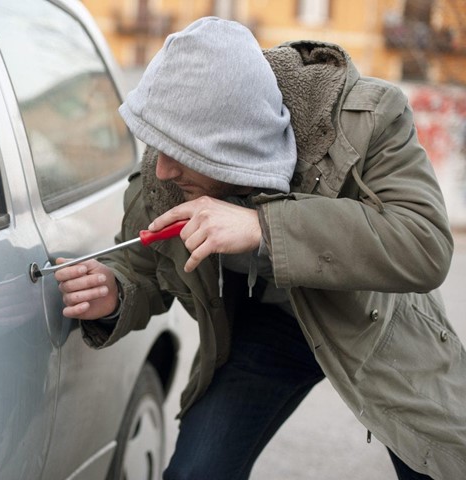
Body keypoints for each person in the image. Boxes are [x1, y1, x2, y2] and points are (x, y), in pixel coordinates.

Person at [55, 17, 466, 480]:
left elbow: (424, 242)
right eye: (159, 147)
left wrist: (262, 226)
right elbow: (145, 263)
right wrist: (115, 289)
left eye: (182, 153)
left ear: (235, 147)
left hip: (376, 320)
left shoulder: (368, 119)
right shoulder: (163, 173)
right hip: (269, 330)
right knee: (195, 473)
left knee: (445, 466)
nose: (164, 170)